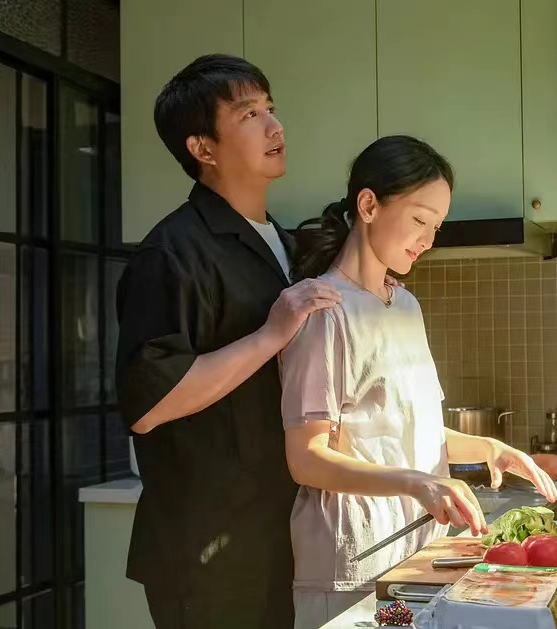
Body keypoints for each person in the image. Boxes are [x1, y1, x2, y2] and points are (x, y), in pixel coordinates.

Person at [115, 54, 402, 628]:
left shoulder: (286, 244)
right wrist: (271, 333)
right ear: (203, 147)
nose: (275, 126)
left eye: (271, 109)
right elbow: (149, 405)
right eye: (249, 114)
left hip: (279, 536)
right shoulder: (171, 253)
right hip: (209, 552)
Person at [279, 135, 557, 628]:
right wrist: (417, 482)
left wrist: (489, 448)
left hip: (416, 557)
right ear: (368, 205)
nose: (429, 239)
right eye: (419, 220)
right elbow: (306, 458)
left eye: (436, 226)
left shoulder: (405, 305)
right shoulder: (323, 310)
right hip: (351, 568)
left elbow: (405, 428)